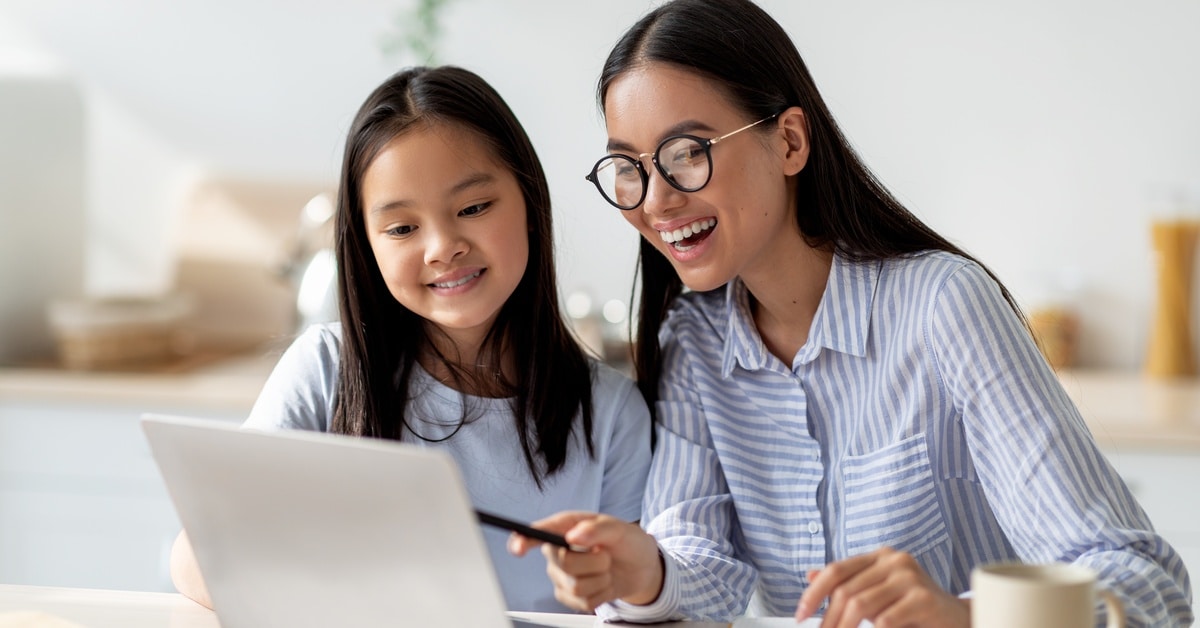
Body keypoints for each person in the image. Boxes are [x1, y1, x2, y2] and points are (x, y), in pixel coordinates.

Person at [509, 1, 1194, 626]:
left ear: (789, 143)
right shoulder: (693, 341)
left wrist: (962, 617)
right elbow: (705, 572)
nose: (655, 200)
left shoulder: (941, 307)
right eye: (628, 167)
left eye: (687, 154)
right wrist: (646, 570)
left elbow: (1144, 583)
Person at [168, 65, 652, 613]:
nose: (442, 247)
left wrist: (615, 587)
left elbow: (638, 604)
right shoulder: (326, 370)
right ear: (367, 245)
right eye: (402, 228)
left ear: (530, 204)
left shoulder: (611, 415)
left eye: (473, 208)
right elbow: (194, 559)